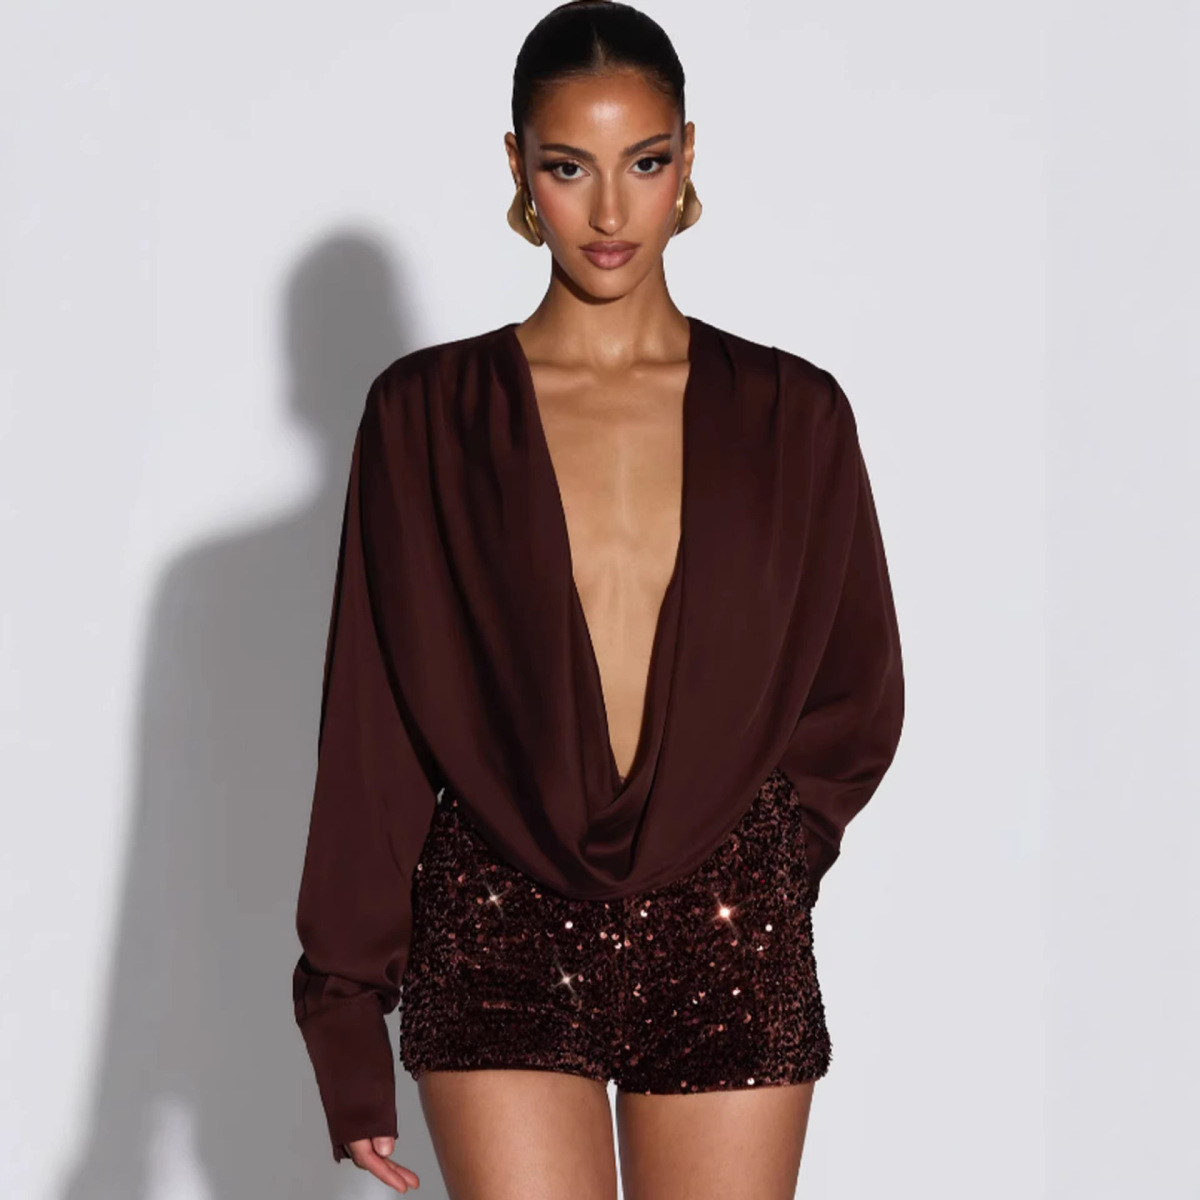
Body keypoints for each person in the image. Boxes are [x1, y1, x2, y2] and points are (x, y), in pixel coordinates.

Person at [291, 1, 905, 1194]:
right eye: (570, 167)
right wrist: (345, 1008)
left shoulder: (795, 415)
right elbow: (372, 727)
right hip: (494, 925)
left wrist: (761, 866)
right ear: (518, 167)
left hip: (728, 930)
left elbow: (856, 691)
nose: (612, 212)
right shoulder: (424, 417)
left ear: (688, 159)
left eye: (646, 162)